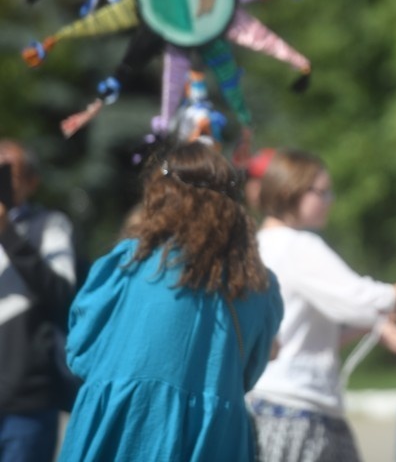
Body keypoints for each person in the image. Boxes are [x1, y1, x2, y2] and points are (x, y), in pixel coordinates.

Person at [58, 142, 283, 461]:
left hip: (127, 427)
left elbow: (81, 352)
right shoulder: (258, 284)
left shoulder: (128, 264)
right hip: (215, 438)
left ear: (162, 198)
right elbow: (249, 372)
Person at [247, 147, 396, 462]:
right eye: (321, 192)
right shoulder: (297, 246)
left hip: (267, 407)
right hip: (298, 414)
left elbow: (298, 336)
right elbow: (364, 301)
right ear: (290, 190)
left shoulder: (257, 244)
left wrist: (375, 326)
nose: (330, 200)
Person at [0, 139, 76, 462]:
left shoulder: (51, 225)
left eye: (8, 173)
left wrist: (7, 232)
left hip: (26, 402)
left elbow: (61, 292)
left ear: (31, 181)